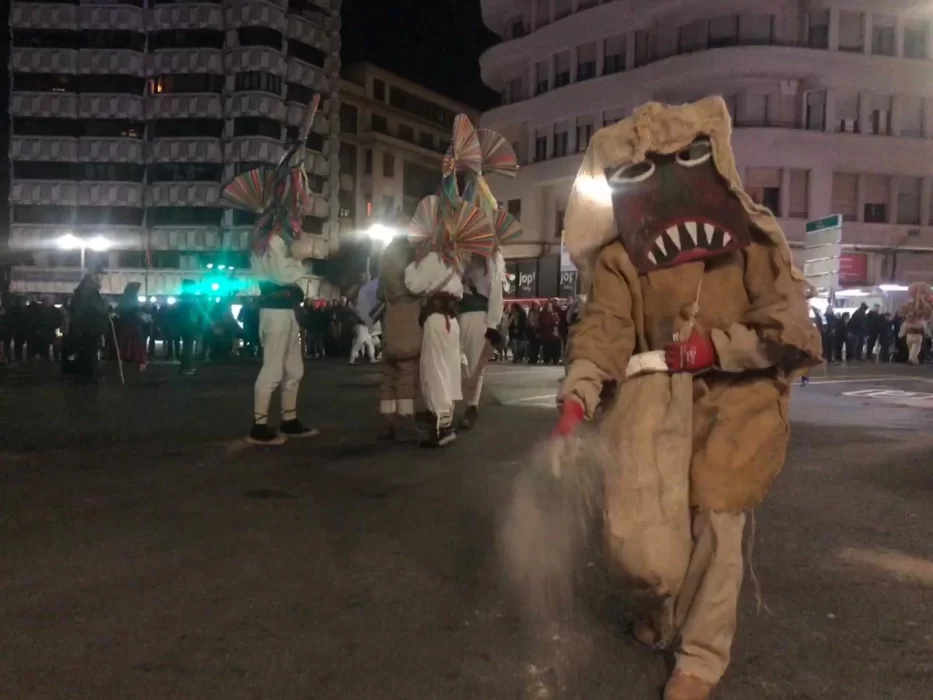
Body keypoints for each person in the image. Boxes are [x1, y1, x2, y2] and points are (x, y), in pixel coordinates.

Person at [554, 96, 822, 700]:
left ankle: (700, 657)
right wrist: (579, 395)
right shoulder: (623, 257)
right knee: (648, 531)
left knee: (718, 522)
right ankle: (664, 610)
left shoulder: (749, 242)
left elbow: (789, 330)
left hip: (738, 404)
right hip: (654, 405)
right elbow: (605, 328)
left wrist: (714, 349)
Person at [221, 94, 323, 445]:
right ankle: (260, 426)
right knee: (273, 368)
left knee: (293, 368)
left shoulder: (268, 237)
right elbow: (282, 275)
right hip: (276, 308)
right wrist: (303, 261)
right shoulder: (273, 239)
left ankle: (289, 419)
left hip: (283, 310)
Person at [405, 249, 463, 447]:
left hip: (437, 318)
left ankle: (440, 426)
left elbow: (413, 284)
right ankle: (446, 422)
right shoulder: (455, 258)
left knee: (434, 369)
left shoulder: (432, 256)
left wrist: (414, 263)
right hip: (452, 320)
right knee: (448, 370)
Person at [377, 234, 423, 441]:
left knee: (389, 372)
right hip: (408, 316)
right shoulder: (410, 256)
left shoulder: (385, 258)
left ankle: (387, 420)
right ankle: (406, 419)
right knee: (407, 370)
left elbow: (379, 293)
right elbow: (417, 285)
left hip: (390, 317)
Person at [457, 251, 505, 429]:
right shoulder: (460, 252)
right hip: (454, 312)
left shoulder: (492, 258)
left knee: (475, 363)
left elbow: (496, 292)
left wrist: (493, 324)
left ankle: (472, 405)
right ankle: (448, 405)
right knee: (453, 362)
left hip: (477, 315)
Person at [69, 271, 111, 385]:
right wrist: (106, 307)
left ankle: (83, 375)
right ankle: (92, 375)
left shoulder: (78, 294)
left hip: (81, 328)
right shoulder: (91, 294)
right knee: (91, 352)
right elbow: (100, 309)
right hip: (91, 329)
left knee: (83, 352)